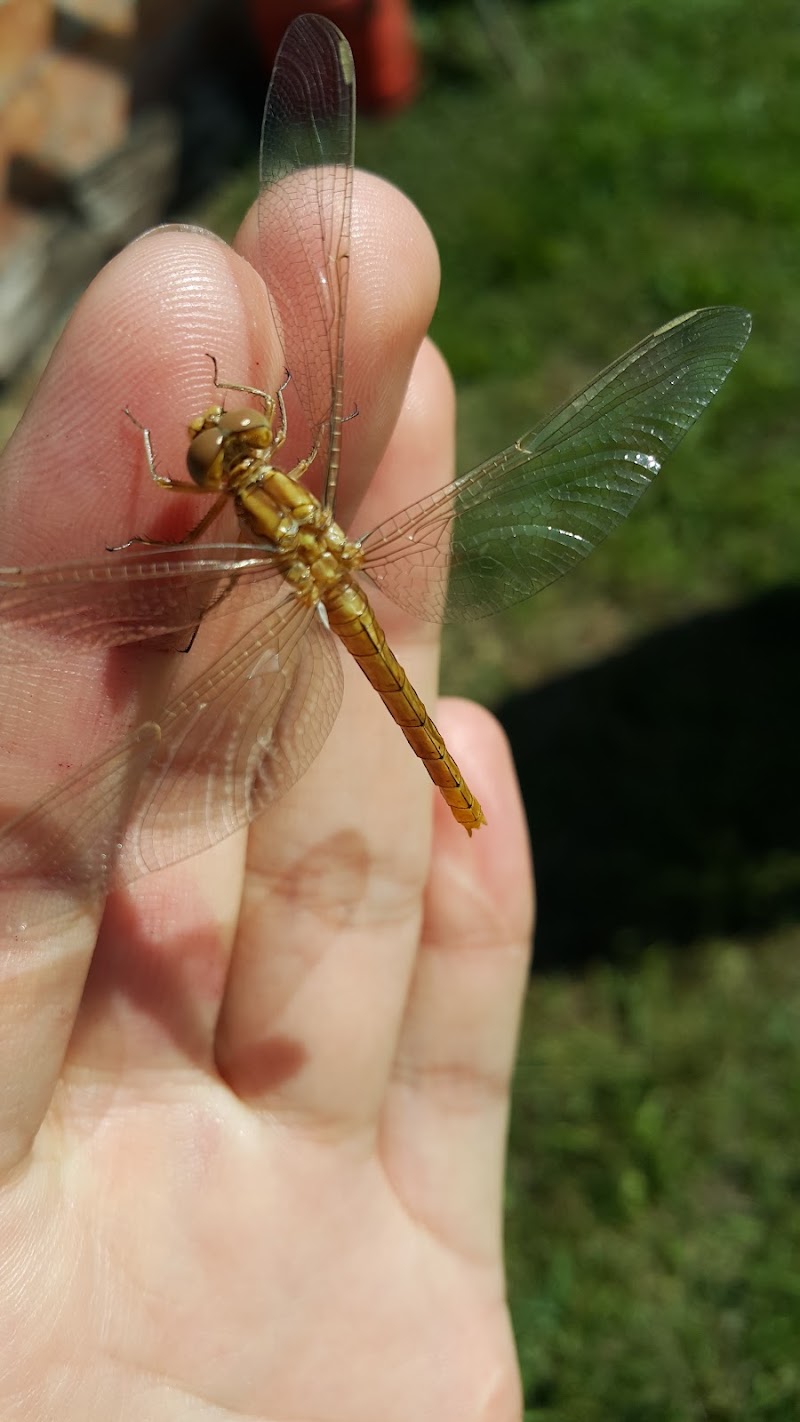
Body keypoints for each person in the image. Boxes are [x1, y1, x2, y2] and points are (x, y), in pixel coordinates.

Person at [0, 172, 533, 1420]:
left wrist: (161, 471)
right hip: (333, 581)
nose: (226, 446)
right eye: (221, 445)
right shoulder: (288, 485)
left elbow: (158, 508)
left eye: (224, 442)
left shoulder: (226, 518)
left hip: (309, 589)